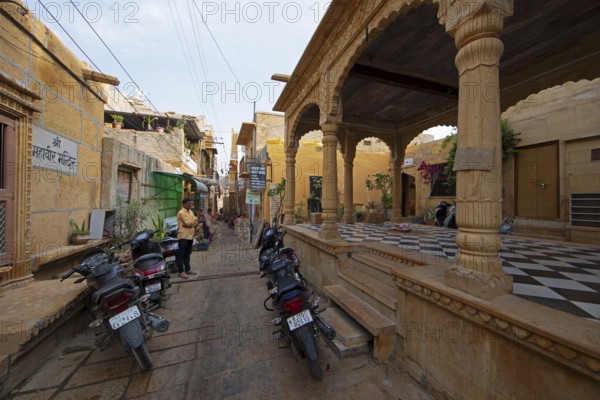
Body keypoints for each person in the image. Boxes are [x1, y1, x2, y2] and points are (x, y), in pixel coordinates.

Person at [176, 198, 198, 279]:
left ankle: (187, 269)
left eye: (191, 204)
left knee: (187, 253)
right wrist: (194, 221)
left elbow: (193, 223)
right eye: (189, 204)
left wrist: (191, 224)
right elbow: (188, 223)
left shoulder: (190, 212)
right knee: (181, 254)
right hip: (183, 236)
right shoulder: (181, 213)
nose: (190, 205)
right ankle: (181, 271)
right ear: (184, 204)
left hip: (190, 236)